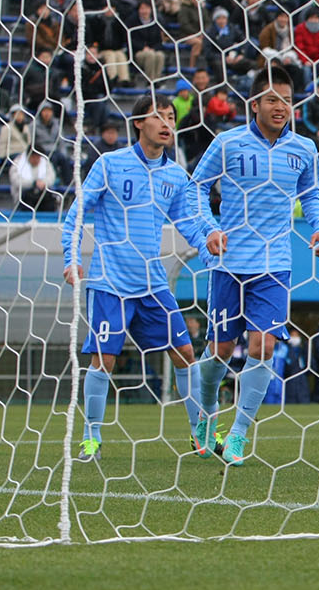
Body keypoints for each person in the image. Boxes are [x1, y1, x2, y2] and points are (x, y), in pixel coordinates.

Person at [60, 96, 228, 462]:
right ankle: (91, 439)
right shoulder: (110, 165)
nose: (167, 123)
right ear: (138, 122)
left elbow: (188, 223)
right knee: (103, 359)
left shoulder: (174, 175)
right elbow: (76, 213)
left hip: (152, 284)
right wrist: (71, 258)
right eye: (158, 116)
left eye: (171, 117)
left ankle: (200, 434)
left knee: (185, 354)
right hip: (110, 282)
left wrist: (208, 248)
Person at [190, 66, 319, 466]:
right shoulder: (227, 142)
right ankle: (204, 417)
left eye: (286, 100)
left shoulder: (303, 149)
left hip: (275, 264)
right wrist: (209, 229)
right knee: (219, 352)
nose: (280, 107)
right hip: (229, 263)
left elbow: (312, 195)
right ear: (254, 104)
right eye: (272, 99)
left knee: (263, 345)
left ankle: (237, 434)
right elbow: (196, 188)